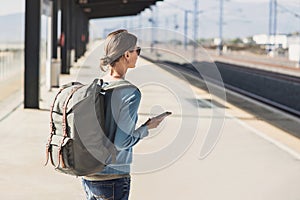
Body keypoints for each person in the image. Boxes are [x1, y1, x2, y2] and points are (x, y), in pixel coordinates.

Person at [81, 29, 167, 200]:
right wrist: (146, 128)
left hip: (89, 174)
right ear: (127, 54)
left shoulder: (95, 86)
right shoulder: (130, 92)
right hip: (113, 177)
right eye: (137, 51)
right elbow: (122, 141)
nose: (138, 55)